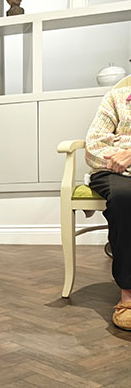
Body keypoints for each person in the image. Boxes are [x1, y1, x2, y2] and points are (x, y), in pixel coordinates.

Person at [85, 84, 131, 330]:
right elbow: (94, 147)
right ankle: (129, 296)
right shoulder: (116, 97)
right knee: (125, 198)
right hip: (116, 172)